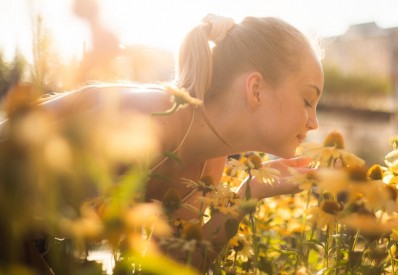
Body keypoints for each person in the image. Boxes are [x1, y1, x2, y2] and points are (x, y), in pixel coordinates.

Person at [18, 14, 324, 271]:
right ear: (256, 89)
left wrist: (251, 193)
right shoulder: (150, 125)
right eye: (308, 100)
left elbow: (176, 265)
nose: (314, 122)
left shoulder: (209, 156)